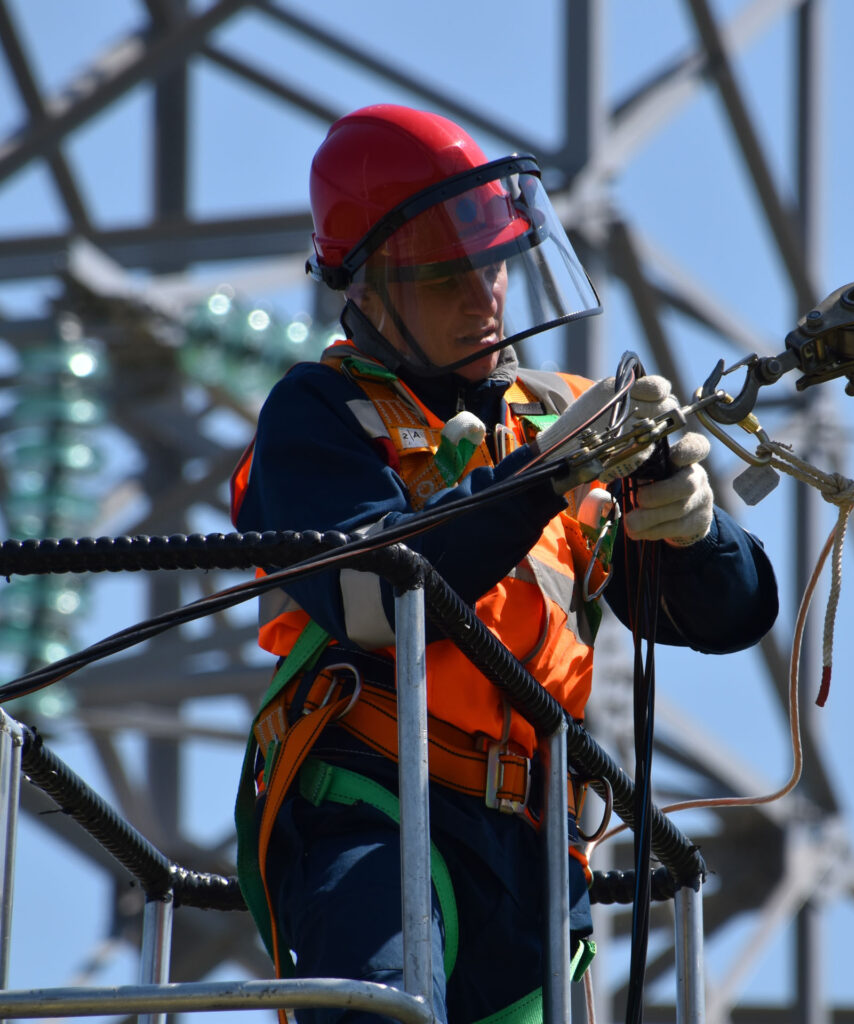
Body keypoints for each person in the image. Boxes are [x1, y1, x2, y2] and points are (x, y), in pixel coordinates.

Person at [232, 103, 778, 1024]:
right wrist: (543, 480)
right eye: (447, 277)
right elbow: (371, 601)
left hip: (533, 849)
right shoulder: (321, 414)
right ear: (367, 291)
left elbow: (728, 617)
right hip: (380, 798)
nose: (483, 296)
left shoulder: (552, 414)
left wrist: (695, 528)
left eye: (491, 267)